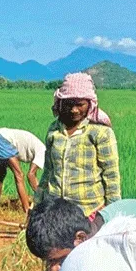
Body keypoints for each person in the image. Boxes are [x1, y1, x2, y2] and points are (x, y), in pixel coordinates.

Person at [34, 72, 120, 216]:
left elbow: (111, 176)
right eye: (69, 104)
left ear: (90, 104)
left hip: (88, 211)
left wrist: (113, 214)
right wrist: (37, 205)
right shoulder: (54, 130)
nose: (74, 110)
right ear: (61, 103)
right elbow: (48, 171)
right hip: (55, 210)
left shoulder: (100, 132)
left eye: (80, 105)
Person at [0, 128, 45, 213]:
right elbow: (31, 175)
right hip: (3, 140)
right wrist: (42, 196)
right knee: (19, 175)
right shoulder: (44, 151)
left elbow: (33, 176)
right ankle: (27, 210)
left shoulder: (40, 149)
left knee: (2, 172)